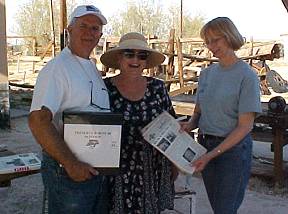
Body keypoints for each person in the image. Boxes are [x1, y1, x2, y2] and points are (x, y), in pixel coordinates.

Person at [28, 5, 110, 214]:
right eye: (83, 26)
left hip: (93, 169)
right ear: (69, 29)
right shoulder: (58, 68)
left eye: (95, 28)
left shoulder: (90, 67)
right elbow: (38, 120)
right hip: (67, 172)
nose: (89, 33)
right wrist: (71, 164)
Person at [181, 17, 262, 214]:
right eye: (208, 41)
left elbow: (245, 126)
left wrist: (211, 155)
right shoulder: (207, 74)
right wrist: (189, 125)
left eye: (216, 40)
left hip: (232, 152)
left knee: (225, 209)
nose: (211, 46)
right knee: (218, 207)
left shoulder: (247, 76)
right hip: (205, 146)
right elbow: (199, 111)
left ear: (229, 36)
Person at [100, 32, 177, 214]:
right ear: (119, 57)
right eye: (129, 54)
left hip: (153, 167)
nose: (136, 60)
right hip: (116, 171)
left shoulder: (157, 88)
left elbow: (172, 125)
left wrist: (175, 163)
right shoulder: (104, 88)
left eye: (141, 55)